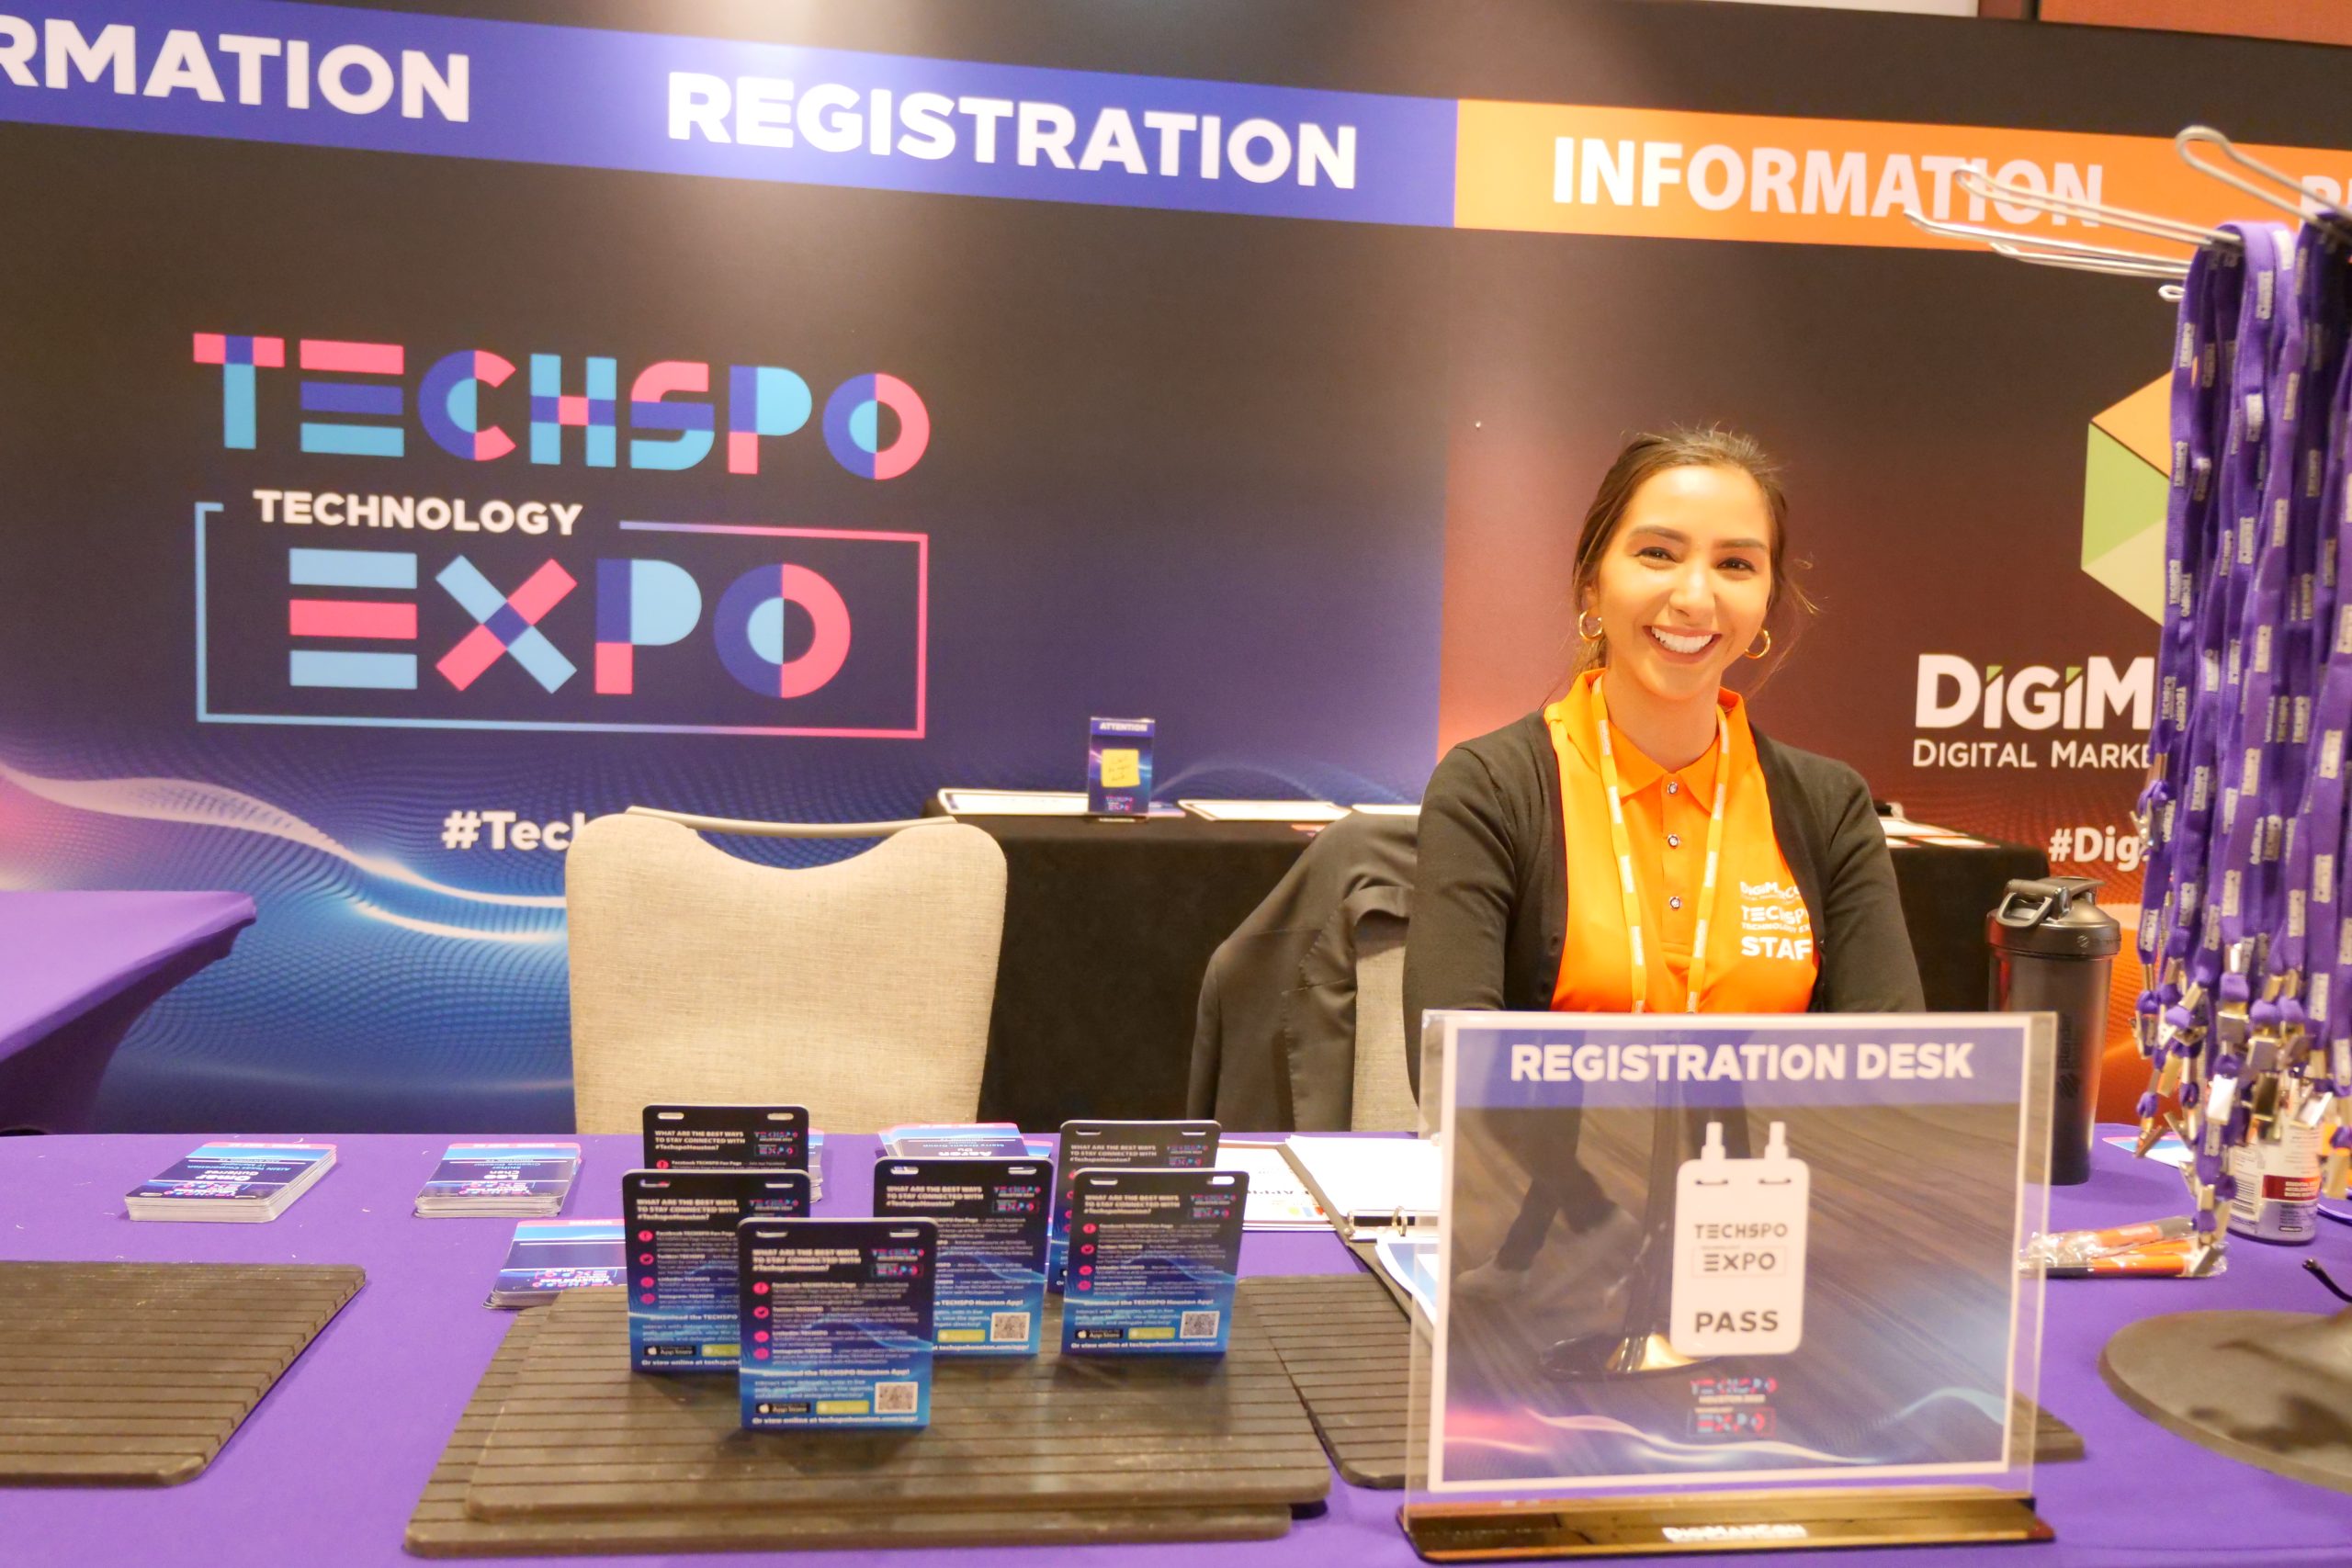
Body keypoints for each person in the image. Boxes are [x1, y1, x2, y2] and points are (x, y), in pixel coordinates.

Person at [1403, 426, 1922, 1360]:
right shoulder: (1491, 787)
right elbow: (1457, 1071)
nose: (1694, 596)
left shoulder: (1828, 803)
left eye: (1735, 563)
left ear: (1766, 601)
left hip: (1779, 1272)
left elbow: (1889, 1077)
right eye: (1657, 553)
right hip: (1545, 1278)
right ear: (1590, 582)